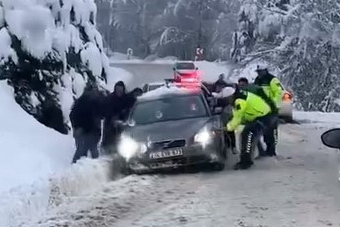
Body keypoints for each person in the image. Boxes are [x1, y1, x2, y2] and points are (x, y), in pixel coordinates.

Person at [224, 87, 273, 170]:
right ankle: (252, 157)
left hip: (263, 118)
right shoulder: (240, 96)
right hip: (260, 116)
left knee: (248, 135)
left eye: (226, 98)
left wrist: (227, 128)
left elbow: (237, 118)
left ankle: (246, 162)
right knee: (249, 135)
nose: (226, 101)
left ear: (231, 96)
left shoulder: (239, 101)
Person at [69, 85, 106, 164]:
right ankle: (75, 167)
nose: (93, 94)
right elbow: (73, 115)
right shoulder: (81, 102)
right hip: (83, 130)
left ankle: (94, 167)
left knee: (92, 150)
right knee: (82, 150)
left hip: (93, 131)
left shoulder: (97, 102)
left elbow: (103, 114)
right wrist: (77, 127)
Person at [253, 64, 284, 157]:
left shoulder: (272, 80)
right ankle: (265, 149)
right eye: (258, 72)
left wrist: (272, 104)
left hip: (271, 110)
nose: (259, 74)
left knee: (271, 130)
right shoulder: (257, 80)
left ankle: (271, 150)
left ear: (265, 70)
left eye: (260, 72)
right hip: (260, 109)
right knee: (262, 130)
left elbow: (279, 93)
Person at [102, 81, 136, 153]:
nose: (119, 91)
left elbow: (132, 107)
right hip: (111, 127)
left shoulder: (127, 99)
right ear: (115, 89)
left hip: (125, 126)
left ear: (123, 90)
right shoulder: (110, 99)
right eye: (117, 89)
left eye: (121, 89)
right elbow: (106, 114)